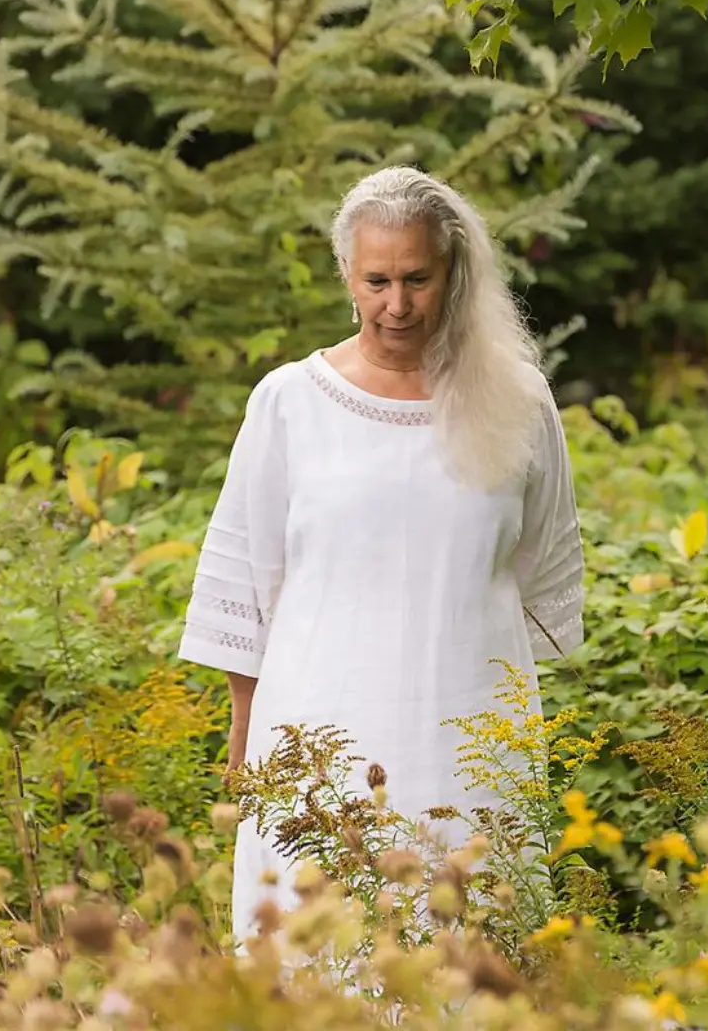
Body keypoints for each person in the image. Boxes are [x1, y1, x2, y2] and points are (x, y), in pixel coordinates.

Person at [174, 164, 587, 946]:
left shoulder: (520, 401)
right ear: (348, 274)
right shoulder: (289, 403)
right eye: (378, 280)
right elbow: (246, 583)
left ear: (451, 271)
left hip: (468, 730)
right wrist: (246, 736)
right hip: (316, 733)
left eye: (417, 279)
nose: (397, 304)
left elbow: (539, 565)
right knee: (318, 945)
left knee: (472, 944)